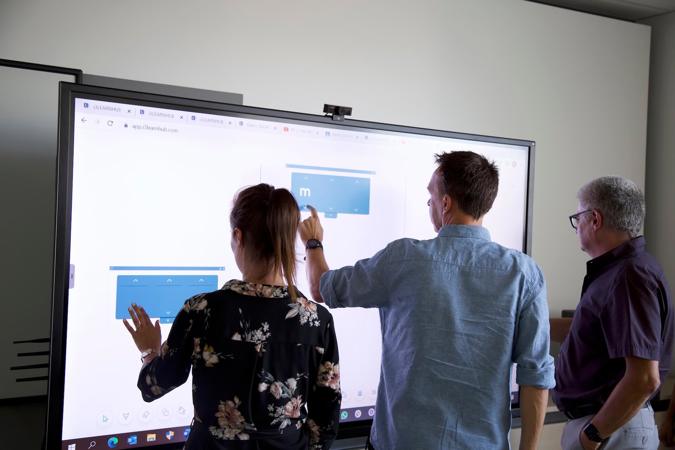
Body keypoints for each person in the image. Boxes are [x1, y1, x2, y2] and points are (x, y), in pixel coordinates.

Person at [300, 151, 555, 450]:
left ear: (446, 203)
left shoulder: (404, 259)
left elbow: (321, 288)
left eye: (431, 197)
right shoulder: (523, 273)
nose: (430, 204)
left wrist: (313, 242)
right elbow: (535, 377)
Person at [123, 183, 341, 449]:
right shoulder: (317, 320)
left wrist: (149, 350)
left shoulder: (201, 310)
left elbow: (154, 386)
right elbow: (326, 420)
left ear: (238, 236)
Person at [550, 176, 674, 450]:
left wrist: (593, 435)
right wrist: (529, 323)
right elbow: (592, 331)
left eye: (578, 217)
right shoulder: (622, 272)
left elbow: (644, 378)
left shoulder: (629, 276)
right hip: (610, 424)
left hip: (611, 428)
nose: (576, 226)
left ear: (595, 219)